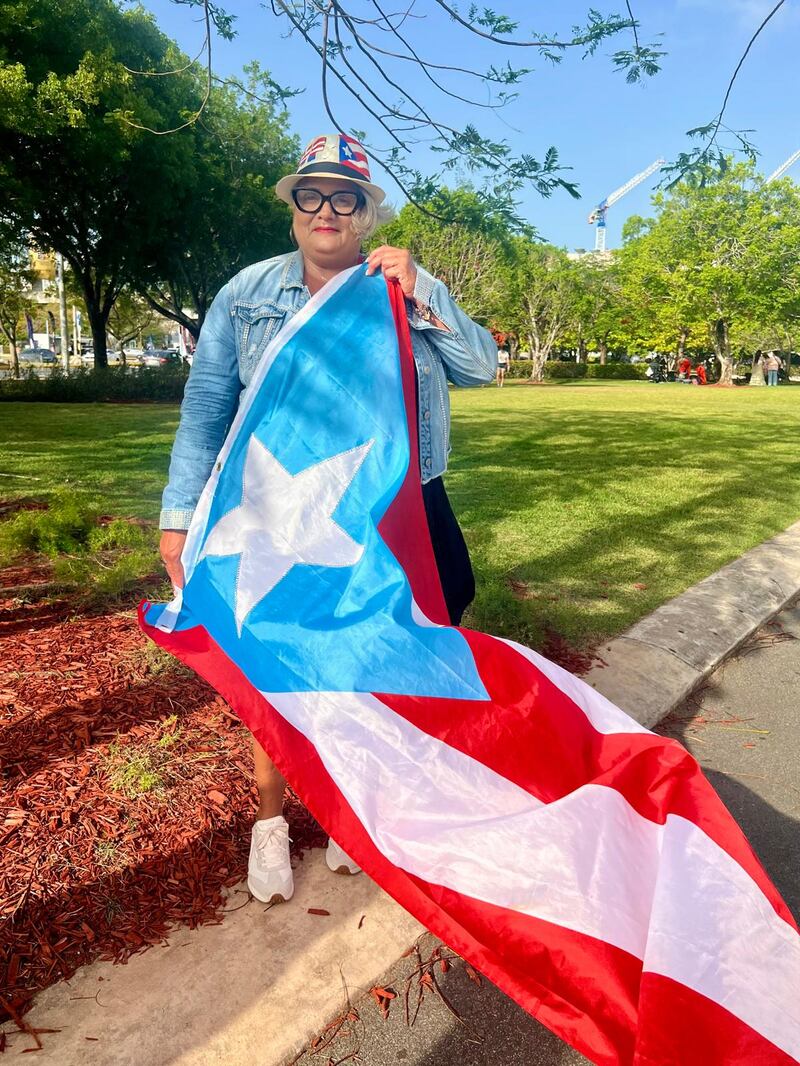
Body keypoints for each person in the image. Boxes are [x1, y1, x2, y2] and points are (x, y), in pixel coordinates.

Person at [157, 133, 497, 905]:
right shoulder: (247, 294)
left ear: (367, 216)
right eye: (312, 194)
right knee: (275, 664)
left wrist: (426, 294)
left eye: (346, 198)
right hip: (277, 508)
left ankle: (352, 813)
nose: (327, 210)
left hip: (394, 508)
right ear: (293, 209)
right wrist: (179, 513)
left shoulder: (398, 288)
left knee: (379, 662)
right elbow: (207, 405)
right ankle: (271, 824)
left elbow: (482, 366)